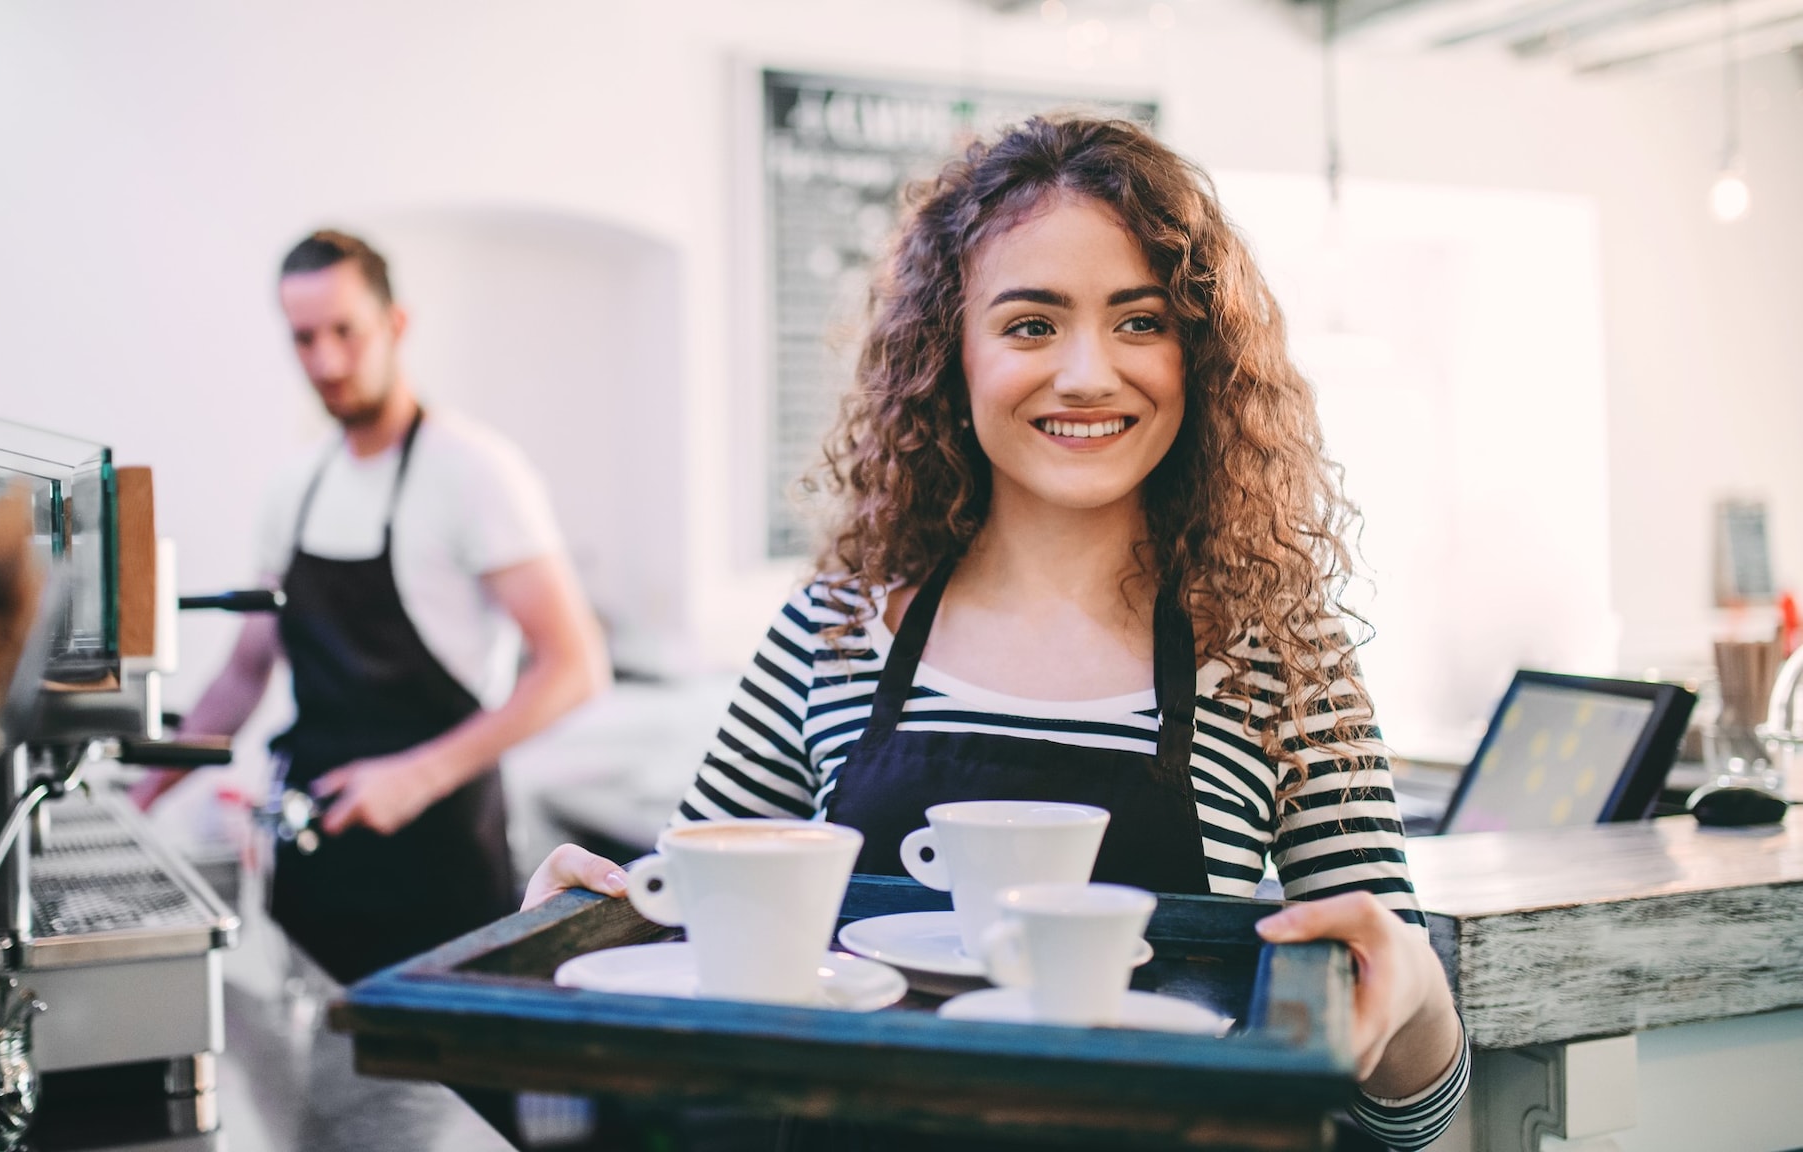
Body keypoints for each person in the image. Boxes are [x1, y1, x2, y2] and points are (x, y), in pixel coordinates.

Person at [527, 118, 1467, 1151]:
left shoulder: (1280, 655)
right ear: (949, 353)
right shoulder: (831, 632)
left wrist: (1414, 994)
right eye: (1029, 325)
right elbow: (689, 947)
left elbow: (1411, 1119)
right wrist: (575, 927)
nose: (1085, 374)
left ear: (1196, 353)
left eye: (1138, 322)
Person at [137, 228, 610, 986]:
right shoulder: (294, 489)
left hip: (441, 868)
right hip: (314, 873)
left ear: (395, 325)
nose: (325, 361)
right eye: (303, 339)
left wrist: (416, 776)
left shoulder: (475, 472)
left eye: (344, 333)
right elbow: (247, 670)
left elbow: (576, 666)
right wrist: (142, 796)